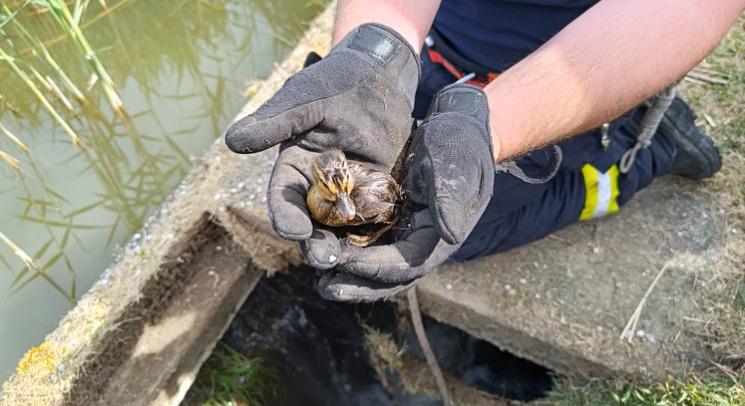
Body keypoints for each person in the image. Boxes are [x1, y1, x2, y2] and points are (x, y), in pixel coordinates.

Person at [225, 0, 744, 302]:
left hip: (556, 92)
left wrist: (486, 128)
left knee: (453, 229)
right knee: (405, 217)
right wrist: (376, 49)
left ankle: (644, 154)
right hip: (433, 59)